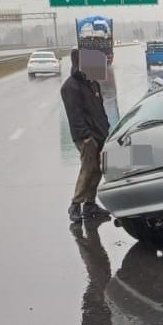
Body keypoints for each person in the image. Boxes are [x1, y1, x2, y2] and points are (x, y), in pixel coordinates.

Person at [61, 48, 111, 222]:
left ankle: (89, 204)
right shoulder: (70, 86)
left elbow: (100, 110)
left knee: (97, 169)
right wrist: (86, 136)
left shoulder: (93, 83)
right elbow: (75, 115)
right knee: (88, 168)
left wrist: (106, 129)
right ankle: (75, 204)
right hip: (86, 137)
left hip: (100, 134)